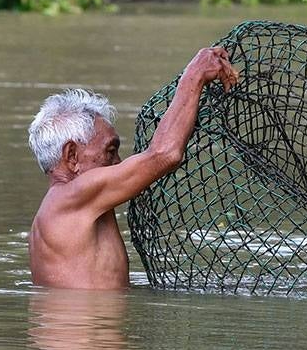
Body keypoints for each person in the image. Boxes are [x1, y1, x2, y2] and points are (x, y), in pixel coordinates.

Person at [27, 47, 238, 289]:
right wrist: (195, 75)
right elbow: (164, 154)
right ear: (72, 156)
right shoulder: (71, 196)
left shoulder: (53, 211)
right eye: (110, 150)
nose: (118, 162)